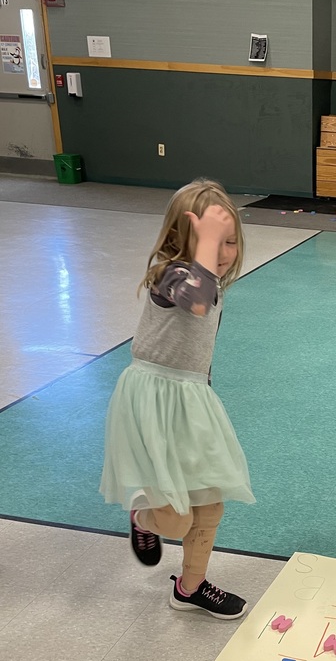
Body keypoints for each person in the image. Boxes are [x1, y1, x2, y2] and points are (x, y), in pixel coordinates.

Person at [100, 178, 256, 616]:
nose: (223, 253)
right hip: (151, 405)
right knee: (175, 519)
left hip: (190, 401)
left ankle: (190, 587)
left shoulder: (212, 282)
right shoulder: (172, 276)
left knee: (210, 504)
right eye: (211, 242)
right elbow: (197, 303)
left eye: (229, 242)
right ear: (178, 240)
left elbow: (197, 348)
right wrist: (204, 247)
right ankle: (142, 516)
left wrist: (202, 401)